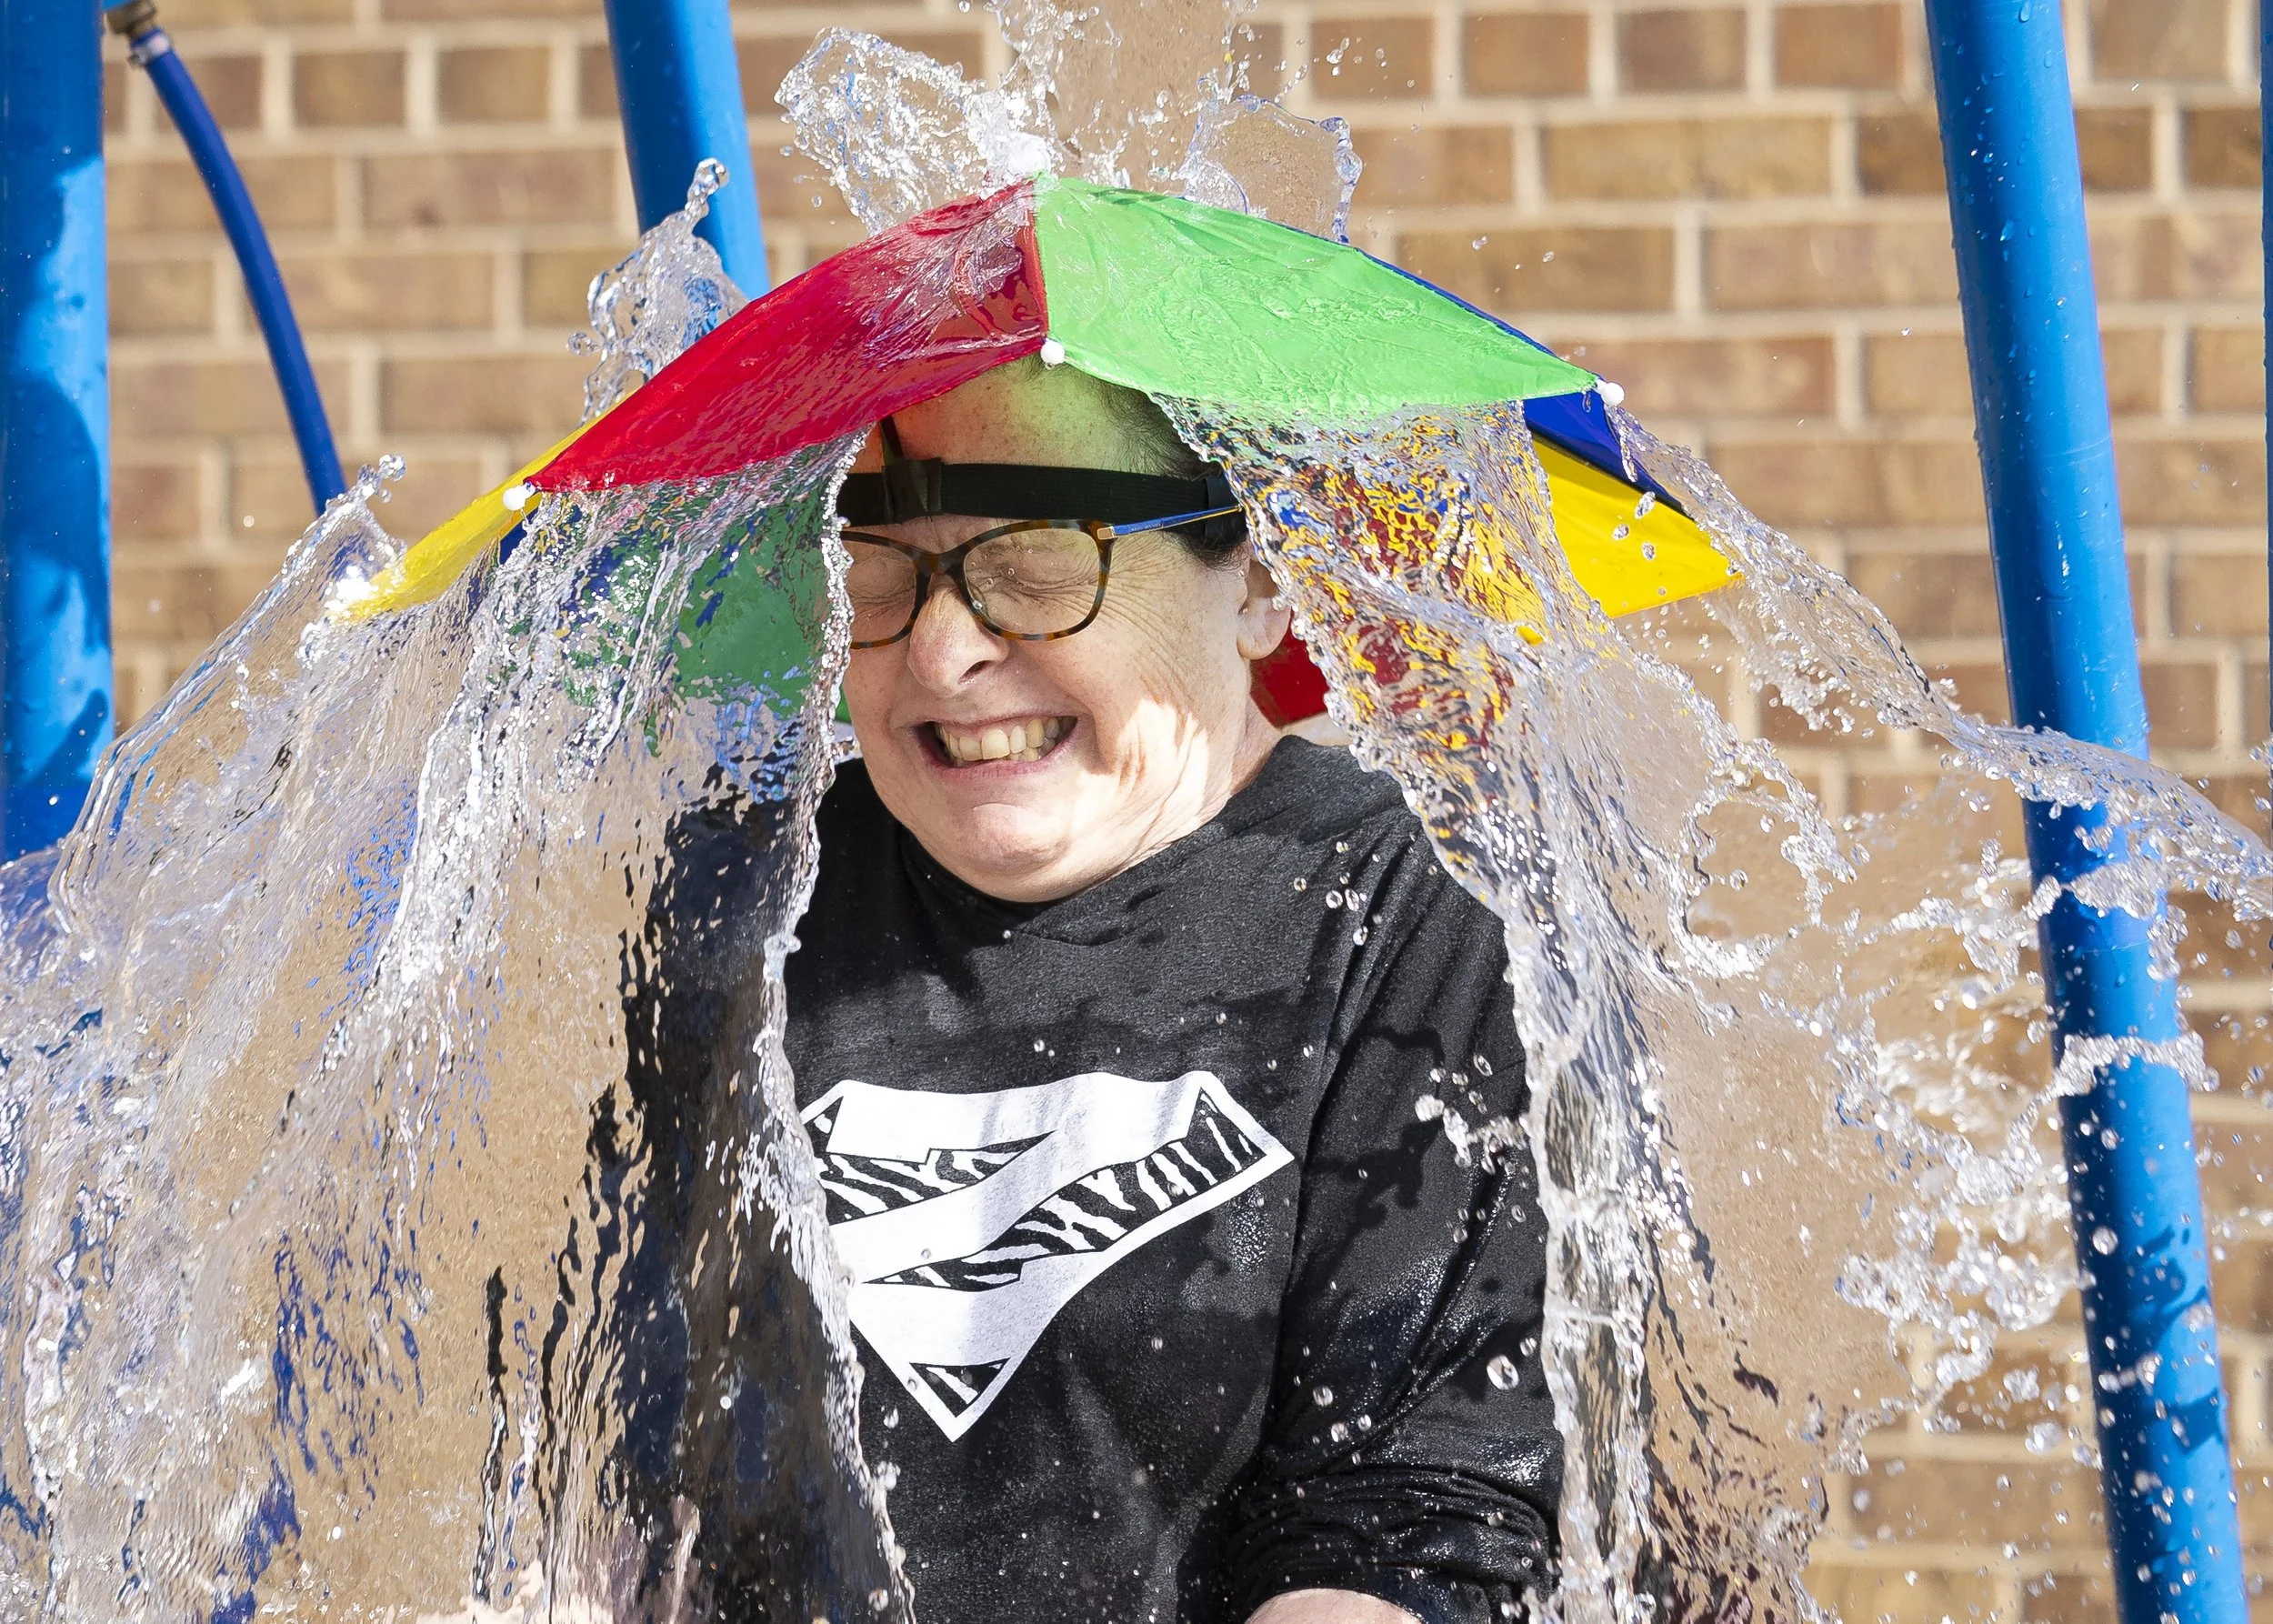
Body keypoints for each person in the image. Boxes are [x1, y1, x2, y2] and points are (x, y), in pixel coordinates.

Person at [611, 356, 1559, 1624]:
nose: (942, 652)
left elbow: (1407, 1524)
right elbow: (628, 1489)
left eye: (1038, 566)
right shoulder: (752, 903)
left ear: (1262, 579)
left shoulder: (1414, 914)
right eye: (881, 570)